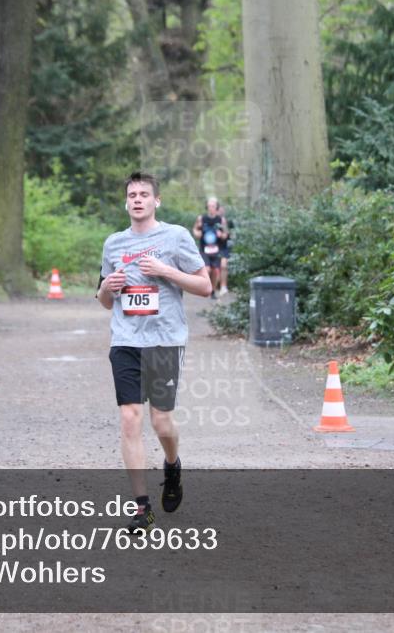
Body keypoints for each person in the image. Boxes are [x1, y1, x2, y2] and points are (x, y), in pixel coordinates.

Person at [96, 172, 212, 533]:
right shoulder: (113, 244)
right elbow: (103, 301)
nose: (138, 199)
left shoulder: (176, 237)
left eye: (144, 194)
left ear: (156, 201)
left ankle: (172, 465)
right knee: (130, 418)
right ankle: (141, 507)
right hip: (126, 340)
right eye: (132, 194)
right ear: (126, 202)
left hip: (164, 340)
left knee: (161, 421)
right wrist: (107, 287)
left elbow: (205, 286)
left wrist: (166, 271)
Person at [192, 197, 228, 299]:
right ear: (206, 207)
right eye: (209, 206)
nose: (211, 208)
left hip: (217, 250)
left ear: (217, 207)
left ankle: (212, 290)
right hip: (204, 249)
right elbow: (195, 229)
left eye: (213, 206)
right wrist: (197, 233)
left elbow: (226, 235)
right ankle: (203, 288)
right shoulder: (201, 218)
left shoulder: (221, 220)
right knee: (207, 269)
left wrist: (222, 235)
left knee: (216, 271)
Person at [217, 204, 234, 296]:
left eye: (222, 210)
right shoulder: (209, 221)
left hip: (224, 247)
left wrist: (224, 227)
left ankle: (223, 286)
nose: (220, 212)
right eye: (219, 210)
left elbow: (228, 236)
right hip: (212, 247)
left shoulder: (228, 222)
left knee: (223, 265)